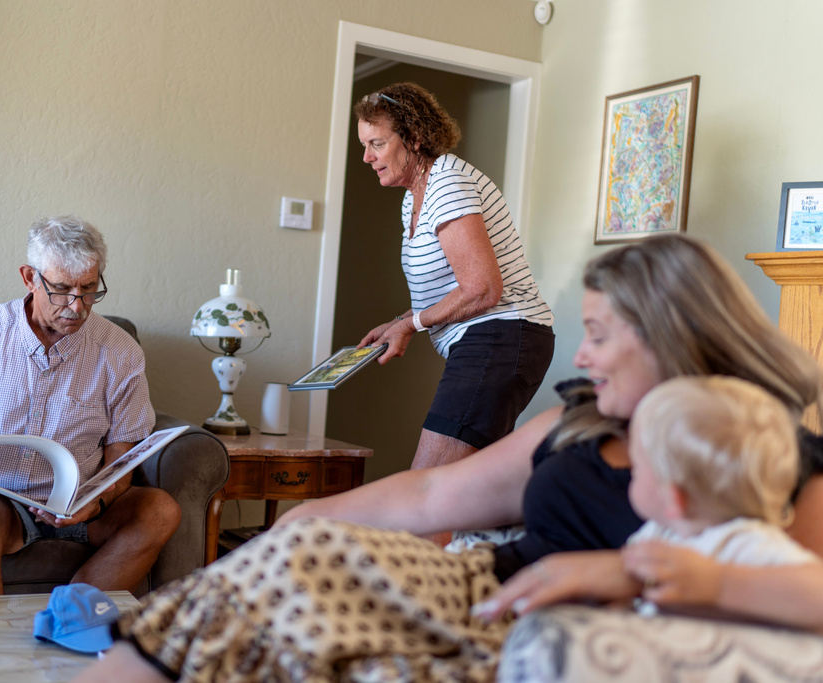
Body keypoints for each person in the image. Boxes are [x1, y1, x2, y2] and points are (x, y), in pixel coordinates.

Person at [72, 234, 823, 682]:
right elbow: (430, 501)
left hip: (548, 631)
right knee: (291, 559)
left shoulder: (774, 453)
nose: (583, 354)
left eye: (598, 333)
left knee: (297, 599)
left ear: (664, 334)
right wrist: (298, 522)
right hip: (478, 581)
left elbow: (803, 596)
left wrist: (627, 574)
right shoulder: (584, 420)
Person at [0, 215, 181, 596]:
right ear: (29, 278)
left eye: (89, 289)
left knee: (159, 510)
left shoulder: (120, 352)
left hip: (74, 500)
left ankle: (67, 619)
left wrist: (96, 501)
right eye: (62, 288)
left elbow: (122, 457)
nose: (76, 305)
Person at [474, 375, 820, 625]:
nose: (628, 471)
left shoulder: (745, 543)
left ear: (673, 498)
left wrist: (714, 582)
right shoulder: (655, 535)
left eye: (637, 466)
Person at [354, 83, 555, 472]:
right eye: (364, 145)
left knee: (429, 485)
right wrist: (399, 324)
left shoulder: (447, 182)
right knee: (462, 486)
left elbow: (482, 289)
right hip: (490, 340)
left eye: (376, 143)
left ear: (413, 137)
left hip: (501, 335)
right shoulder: (413, 198)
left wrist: (410, 325)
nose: (367, 157)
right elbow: (447, 288)